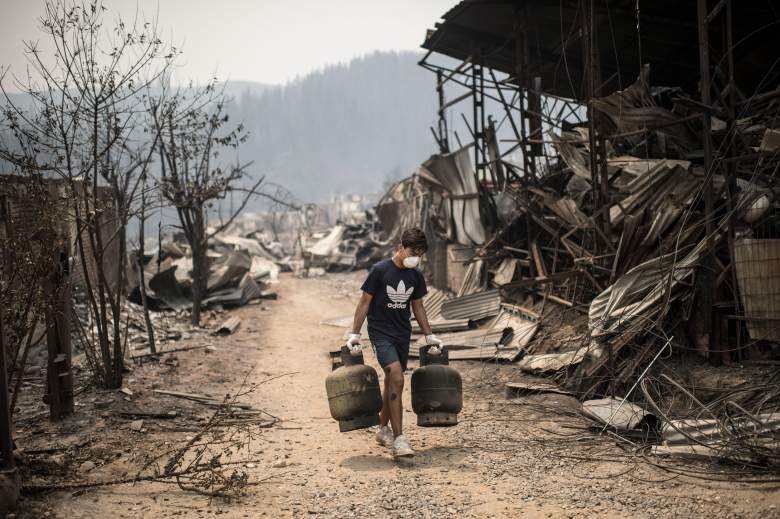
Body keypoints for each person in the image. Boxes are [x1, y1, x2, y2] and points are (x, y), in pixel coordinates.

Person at [345, 227, 442, 458]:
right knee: (397, 377)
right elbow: (364, 303)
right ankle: (399, 439)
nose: (415, 257)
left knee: (392, 382)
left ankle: (382, 430)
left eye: (420, 253)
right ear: (401, 246)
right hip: (380, 333)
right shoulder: (380, 270)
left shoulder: (415, 276)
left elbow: (417, 306)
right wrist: (355, 333)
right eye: (412, 251)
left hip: (402, 334)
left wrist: (429, 335)